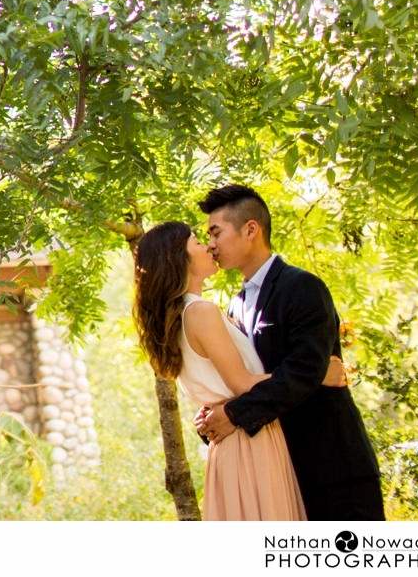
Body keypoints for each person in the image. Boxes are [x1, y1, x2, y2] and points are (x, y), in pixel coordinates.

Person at [194, 184, 385, 521]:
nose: (210, 244)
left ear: (250, 229)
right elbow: (244, 378)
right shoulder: (235, 306)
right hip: (279, 472)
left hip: (333, 469)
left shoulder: (302, 287)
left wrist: (235, 413)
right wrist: (214, 413)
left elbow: (301, 374)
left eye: (216, 233)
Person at [135, 219, 322, 519]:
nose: (208, 245)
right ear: (178, 258)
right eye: (197, 242)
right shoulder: (200, 312)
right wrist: (319, 376)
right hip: (249, 441)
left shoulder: (185, 316)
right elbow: (243, 385)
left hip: (235, 443)